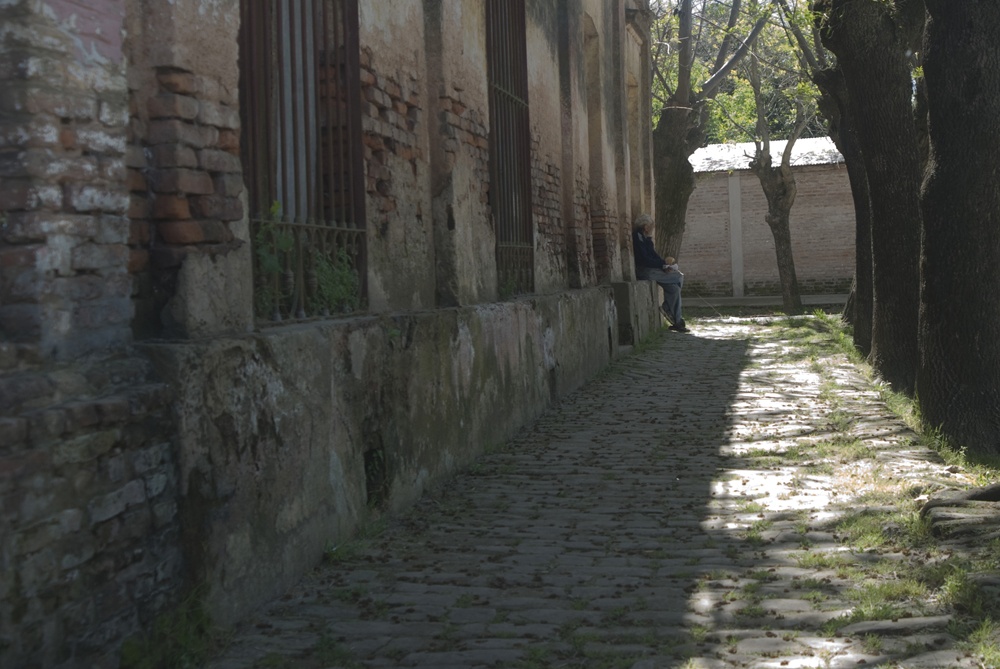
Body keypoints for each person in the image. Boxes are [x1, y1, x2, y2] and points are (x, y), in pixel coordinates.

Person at [632, 214, 688, 332]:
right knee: (678, 277)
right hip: (645, 271)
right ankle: (670, 312)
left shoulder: (646, 239)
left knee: (675, 290)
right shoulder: (637, 238)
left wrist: (664, 265)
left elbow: (654, 256)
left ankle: (674, 318)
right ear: (645, 227)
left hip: (653, 270)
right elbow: (644, 260)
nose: (652, 228)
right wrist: (662, 264)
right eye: (651, 226)